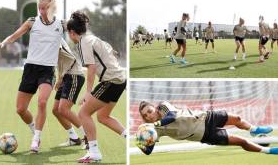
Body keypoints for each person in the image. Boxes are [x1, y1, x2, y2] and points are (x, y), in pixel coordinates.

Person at [0, 0, 64, 153]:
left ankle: (36, 138)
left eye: (45, 7)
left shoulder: (61, 25)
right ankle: (34, 130)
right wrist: (3, 43)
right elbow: (15, 35)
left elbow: (79, 34)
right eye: (40, 8)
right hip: (30, 69)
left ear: (52, 8)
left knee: (42, 102)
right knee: (20, 109)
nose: (42, 10)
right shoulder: (32, 21)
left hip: (47, 70)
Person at [67, 10, 126, 163]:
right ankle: (133, 137)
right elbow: (112, 51)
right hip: (120, 79)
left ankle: (94, 153)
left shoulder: (83, 43)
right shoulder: (93, 38)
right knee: (103, 117)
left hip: (111, 81)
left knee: (83, 114)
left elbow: (91, 68)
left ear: (72, 32)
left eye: (68, 33)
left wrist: (88, 93)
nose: (69, 36)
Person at [137, 101, 278, 155]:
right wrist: (141, 142)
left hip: (205, 117)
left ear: (154, 108)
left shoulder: (163, 106)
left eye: (149, 111)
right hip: (205, 135)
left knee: (237, 119)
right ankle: (269, 150)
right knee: (242, 142)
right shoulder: (154, 131)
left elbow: (172, 116)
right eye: (145, 116)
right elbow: (148, 151)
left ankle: (254, 130)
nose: (148, 116)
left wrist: (153, 125)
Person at [52, 38, 88, 148]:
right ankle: (74, 138)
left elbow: (66, 57)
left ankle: (88, 136)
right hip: (66, 76)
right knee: (56, 110)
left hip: (74, 75)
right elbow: (59, 60)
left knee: (63, 109)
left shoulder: (54, 39)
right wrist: (59, 78)